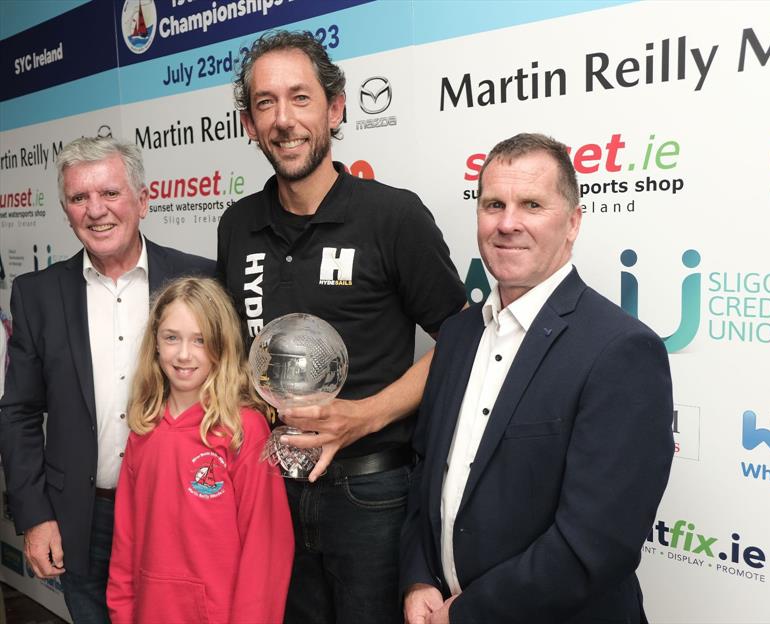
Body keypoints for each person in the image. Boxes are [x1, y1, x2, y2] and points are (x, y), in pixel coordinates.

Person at [217, 30, 466, 623]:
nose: (283, 120)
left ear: (335, 107)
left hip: (373, 494)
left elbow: (462, 338)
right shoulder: (237, 225)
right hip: (270, 488)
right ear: (249, 125)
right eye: (265, 103)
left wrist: (365, 415)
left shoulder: (393, 216)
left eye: (300, 98)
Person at [400, 133, 674, 624]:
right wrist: (419, 575)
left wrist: (465, 615)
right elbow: (426, 471)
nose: (507, 224)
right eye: (493, 205)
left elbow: (594, 545)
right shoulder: (460, 335)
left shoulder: (621, 351)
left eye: (531, 204)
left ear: (572, 223)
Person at [0, 136, 214, 623]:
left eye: (110, 194)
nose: (95, 210)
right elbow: (19, 413)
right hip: (82, 517)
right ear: (65, 209)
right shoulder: (36, 295)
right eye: (79, 198)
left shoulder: (199, 280)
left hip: (181, 510)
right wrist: (34, 516)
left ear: (142, 199)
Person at [106, 276, 293, 623]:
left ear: (221, 347)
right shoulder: (143, 428)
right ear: (156, 344)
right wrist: (122, 613)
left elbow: (266, 549)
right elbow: (125, 541)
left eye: (200, 340)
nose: (183, 354)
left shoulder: (243, 428)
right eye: (171, 338)